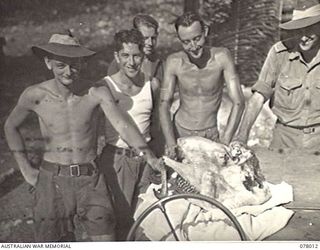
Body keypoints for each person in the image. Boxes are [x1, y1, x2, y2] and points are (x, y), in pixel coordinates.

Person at [4, 32, 163, 242]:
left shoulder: (95, 92)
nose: (69, 72)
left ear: (82, 62)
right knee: (51, 243)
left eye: (75, 64)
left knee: (107, 239)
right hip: (52, 180)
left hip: (90, 180)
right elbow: (10, 127)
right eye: (61, 65)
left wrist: (150, 157)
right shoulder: (35, 95)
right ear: (48, 63)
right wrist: (25, 169)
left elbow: (123, 125)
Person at [98, 29, 160, 240]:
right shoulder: (105, 86)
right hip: (118, 161)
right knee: (120, 222)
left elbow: (156, 125)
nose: (131, 62)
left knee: (146, 223)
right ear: (116, 56)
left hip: (147, 162)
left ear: (143, 55)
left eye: (136, 55)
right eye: (125, 55)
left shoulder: (152, 84)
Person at [232, 2, 320, 150]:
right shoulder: (279, 53)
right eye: (299, 30)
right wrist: (241, 137)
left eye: (309, 29)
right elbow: (258, 97)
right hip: (284, 140)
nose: (303, 37)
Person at [159, 12, 245, 158]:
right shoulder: (174, 62)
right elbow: (163, 103)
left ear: (205, 31)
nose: (193, 46)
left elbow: (239, 102)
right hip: (180, 132)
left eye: (197, 39)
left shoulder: (222, 57)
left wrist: (224, 141)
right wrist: (170, 143)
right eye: (186, 42)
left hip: (209, 134)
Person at [108, 14, 165, 158]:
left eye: (153, 38)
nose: (150, 43)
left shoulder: (159, 64)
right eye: (145, 38)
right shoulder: (118, 65)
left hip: (151, 135)